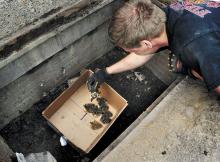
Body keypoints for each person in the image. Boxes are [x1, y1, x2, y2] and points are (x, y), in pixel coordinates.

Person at [87, 0, 220, 95]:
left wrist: (194, 72)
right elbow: (144, 53)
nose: (134, 53)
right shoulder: (164, 16)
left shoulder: (193, 46)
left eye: (133, 50)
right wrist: (106, 72)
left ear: (146, 44)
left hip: (207, 43)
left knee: (205, 72)